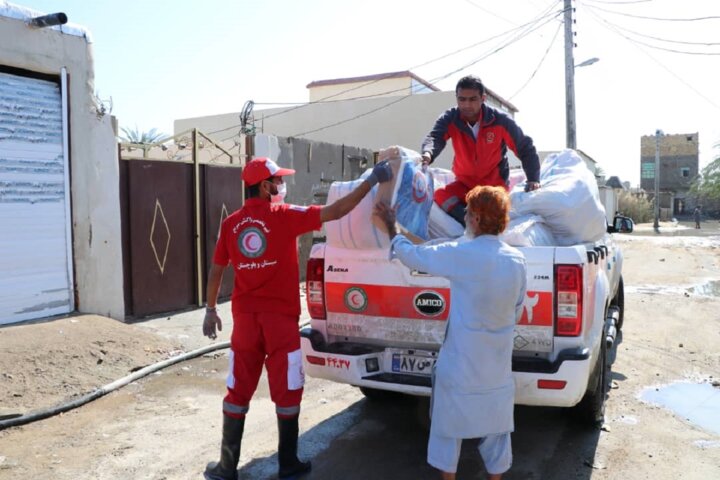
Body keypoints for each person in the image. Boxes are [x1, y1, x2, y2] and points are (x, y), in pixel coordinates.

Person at [202, 157, 393, 480]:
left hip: (246, 322)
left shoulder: (230, 223)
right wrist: (372, 180)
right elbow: (336, 212)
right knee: (288, 390)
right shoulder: (285, 215)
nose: (280, 186)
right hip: (280, 322)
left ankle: (226, 467)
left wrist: (210, 309)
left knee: (237, 390)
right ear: (264, 186)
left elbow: (218, 267)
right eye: (277, 181)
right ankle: (288, 464)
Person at [374, 186, 527, 480]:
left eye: (468, 212)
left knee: (447, 433)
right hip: (496, 372)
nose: (465, 216)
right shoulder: (517, 261)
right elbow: (516, 312)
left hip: (459, 371)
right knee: (497, 437)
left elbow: (413, 256)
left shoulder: (461, 253)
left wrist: (392, 227)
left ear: (478, 218)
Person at [421, 75, 541, 225]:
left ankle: (480, 221)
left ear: (483, 98)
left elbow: (525, 147)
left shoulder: (500, 120)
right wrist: (427, 154)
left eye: (472, 99)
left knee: (492, 209)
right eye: (462, 99)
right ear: (456, 98)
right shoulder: (450, 118)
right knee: (440, 196)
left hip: (493, 186)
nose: (466, 105)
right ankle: (469, 222)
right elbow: (435, 137)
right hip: (464, 184)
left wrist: (533, 179)